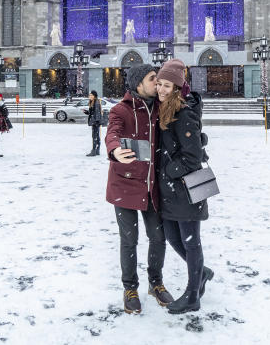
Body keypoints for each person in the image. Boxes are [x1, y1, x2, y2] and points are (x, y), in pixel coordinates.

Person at [104, 64, 173, 314]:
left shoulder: (160, 107)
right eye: (152, 79)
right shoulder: (120, 110)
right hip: (124, 185)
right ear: (138, 84)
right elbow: (112, 132)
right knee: (129, 240)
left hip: (151, 186)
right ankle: (130, 287)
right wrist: (114, 150)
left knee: (158, 237)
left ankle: (155, 283)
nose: (157, 83)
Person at [154, 58, 215, 314]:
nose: (161, 89)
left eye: (167, 85)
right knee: (172, 237)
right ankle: (201, 272)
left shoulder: (184, 112)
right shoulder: (164, 107)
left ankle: (192, 295)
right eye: (159, 83)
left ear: (178, 87)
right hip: (170, 189)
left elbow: (192, 156)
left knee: (191, 242)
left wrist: (169, 170)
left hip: (187, 188)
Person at [86, 90, 103, 157]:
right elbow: (92, 112)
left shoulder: (96, 102)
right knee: (96, 136)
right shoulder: (92, 102)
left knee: (95, 137)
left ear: (94, 96)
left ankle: (94, 151)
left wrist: (96, 122)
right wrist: (87, 112)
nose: (90, 96)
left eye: (91, 95)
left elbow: (97, 113)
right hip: (95, 121)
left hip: (95, 122)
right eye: (89, 95)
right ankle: (97, 150)